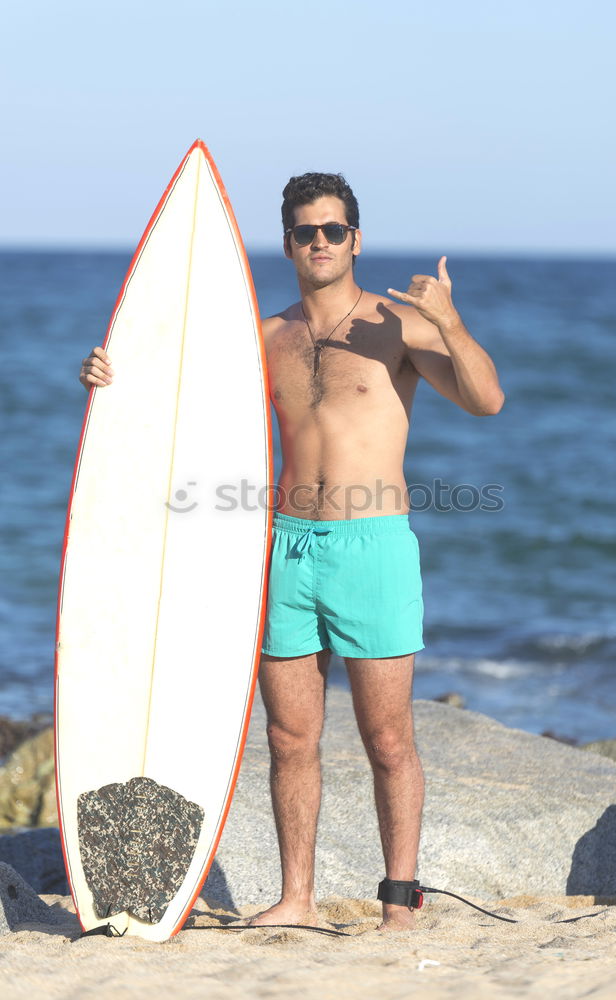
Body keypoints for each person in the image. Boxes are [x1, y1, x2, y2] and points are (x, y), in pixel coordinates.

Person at [79, 172, 504, 931]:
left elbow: (486, 400)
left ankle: (399, 906)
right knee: (288, 736)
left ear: (356, 240)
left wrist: (452, 324)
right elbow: (180, 399)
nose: (320, 242)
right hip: (284, 547)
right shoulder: (265, 337)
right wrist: (109, 374)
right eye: (306, 231)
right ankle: (296, 898)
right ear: (286, 243)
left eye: (333, 229)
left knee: (388, 737)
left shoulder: (395, 326)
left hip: (371, 546)